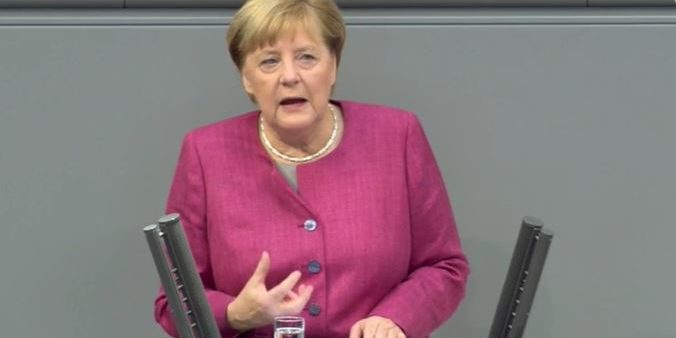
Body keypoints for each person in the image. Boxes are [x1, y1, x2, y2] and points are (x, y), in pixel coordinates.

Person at [154, 0, 469, 337]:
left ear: (333, 66)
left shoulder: (397, 136)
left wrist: (396, 319)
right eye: (269, 61)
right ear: (246, 78)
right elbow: (172, 302)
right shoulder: (206, 153)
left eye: (307, 57)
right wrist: (235, 314)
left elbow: (444, 265)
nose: (290, 76)